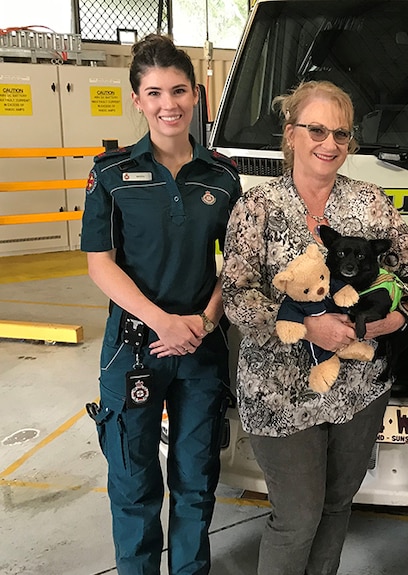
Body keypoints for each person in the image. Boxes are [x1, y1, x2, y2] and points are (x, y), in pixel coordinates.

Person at [220, 80, 408, 575]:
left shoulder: (370, 202)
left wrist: (395, 318)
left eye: (341, 134)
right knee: (296, 518)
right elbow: (236, 294)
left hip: (358, 390)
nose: (329, 143)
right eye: (316, 129)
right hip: (280, 393)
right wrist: (307, 327)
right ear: (291, 133)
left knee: (337, 507)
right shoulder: (258, 205)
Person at [80, 34, 242, 574]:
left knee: (196, 483)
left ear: (197, 95)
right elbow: (100, 263)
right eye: (153, 93)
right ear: (137, 100)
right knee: (134, 485)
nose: (167, 104)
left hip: (200, 349)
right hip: (134, 350)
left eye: (177, 91)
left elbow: (236, 266)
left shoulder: (222, 177)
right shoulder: (109, 174)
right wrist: (161, 321)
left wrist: (204, 320)